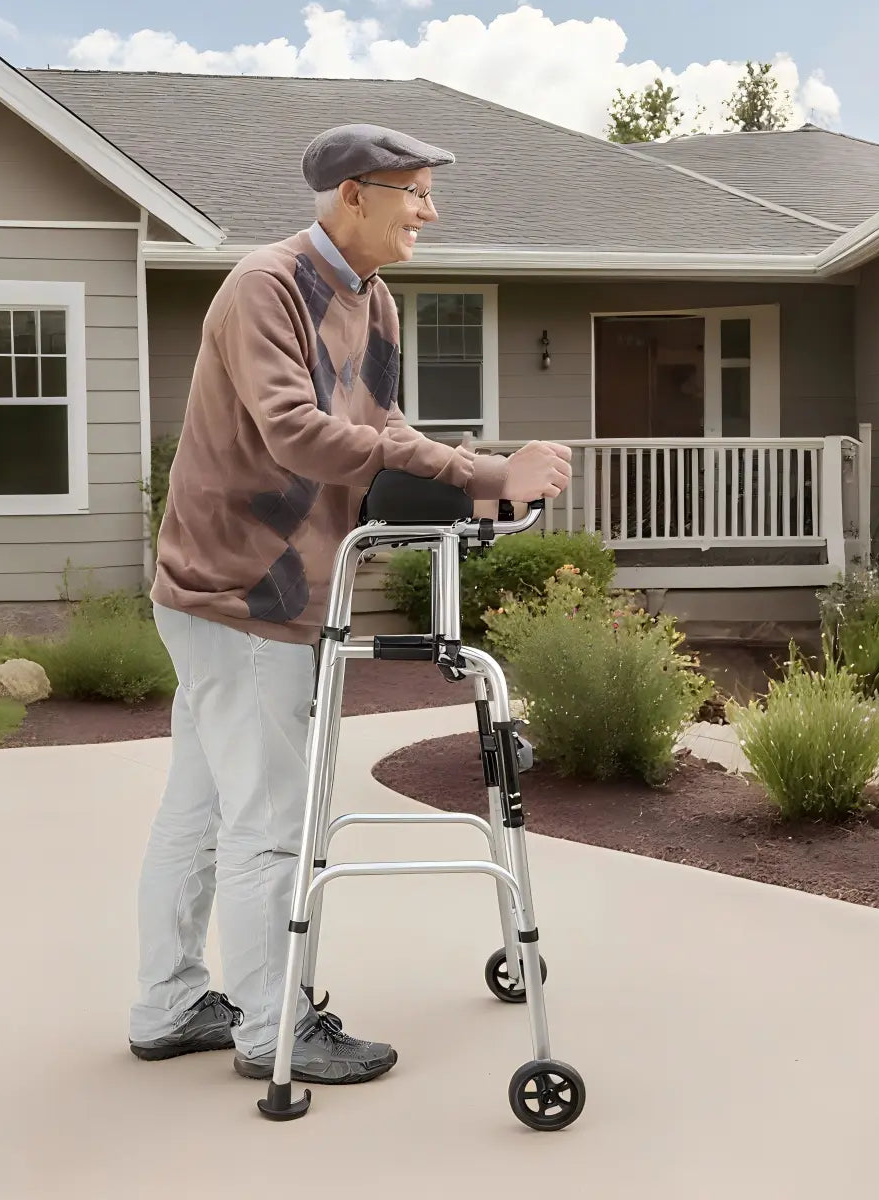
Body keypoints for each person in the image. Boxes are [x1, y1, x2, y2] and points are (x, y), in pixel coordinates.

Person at [128, 123, 573, 1085]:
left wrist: (475, 482)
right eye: (413, 191)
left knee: (202, 809)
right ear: (353, 196)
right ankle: (270, 1028)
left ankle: (167, 1003)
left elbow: (381, 429)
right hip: (242, 592)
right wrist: (483, 467)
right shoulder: (266, 288)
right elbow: (299, 435)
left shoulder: (374, 302)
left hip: (259, 588)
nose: (430, 210)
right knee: (269, 822)